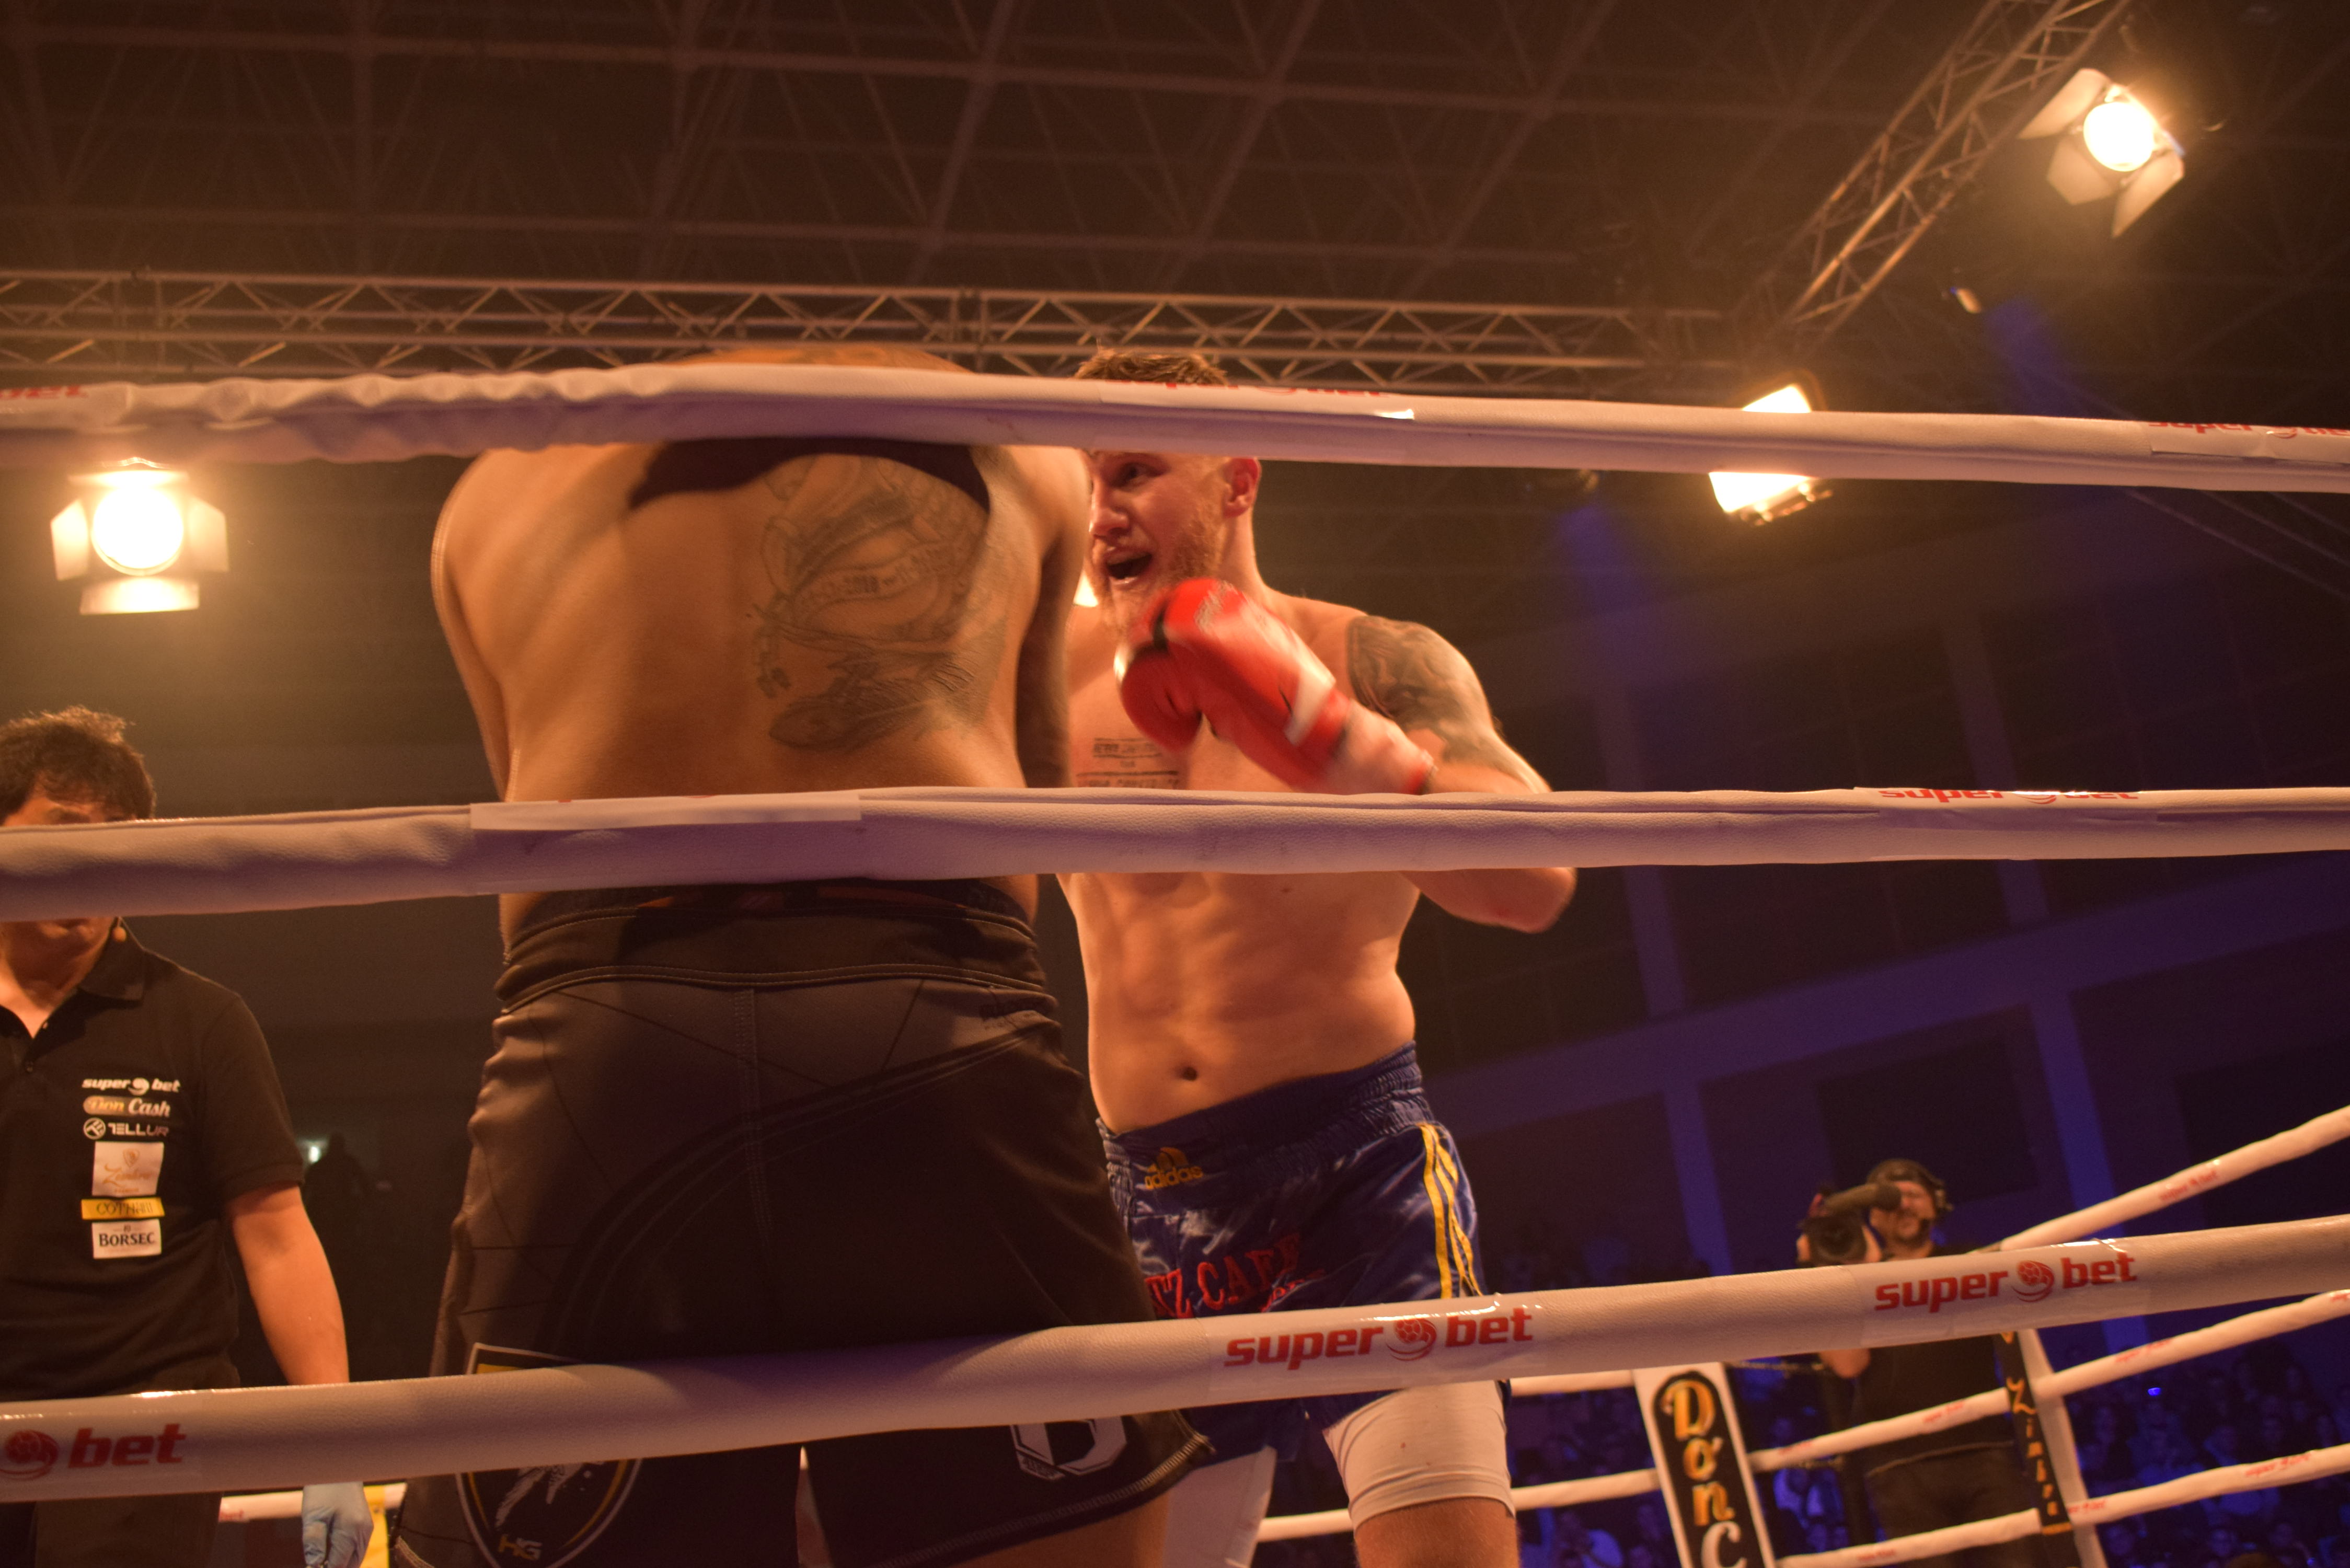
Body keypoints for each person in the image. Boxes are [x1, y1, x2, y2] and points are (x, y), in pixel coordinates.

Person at [391, 345, 1203, 1568]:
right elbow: (1031, 796)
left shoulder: (492, 490)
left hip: (603, 1037)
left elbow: (528, 803)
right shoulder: (1014, 442)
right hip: (932, 1008)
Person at [1061, 349, 1577, 1568]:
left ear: (1238, 480)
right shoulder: (1045, 677)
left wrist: (1334, 741)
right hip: (1147, 1201)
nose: (1100, 511)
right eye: (1081, 482)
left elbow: (1531, 880)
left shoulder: (1375, 659)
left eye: (1134, 471)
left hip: (1359, 1175)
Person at [0, 708, 370, 1568]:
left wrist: (337, 1442)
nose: (90, 860)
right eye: (63, 831)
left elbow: (277, 1236)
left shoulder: (202, 1020)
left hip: (148, 1429)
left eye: (116, 840)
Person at [1803, 1159, 2038, 1568]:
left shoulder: (1967, 1259)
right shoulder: (1857, 1282)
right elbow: (1847, 1365)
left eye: (1913, 1195)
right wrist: (1828, 1273)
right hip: (1899, 1466)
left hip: (1984, 1450)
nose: (1904, 1206)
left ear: (1936, 1204)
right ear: (1873, 1217)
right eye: (1889, 1200)